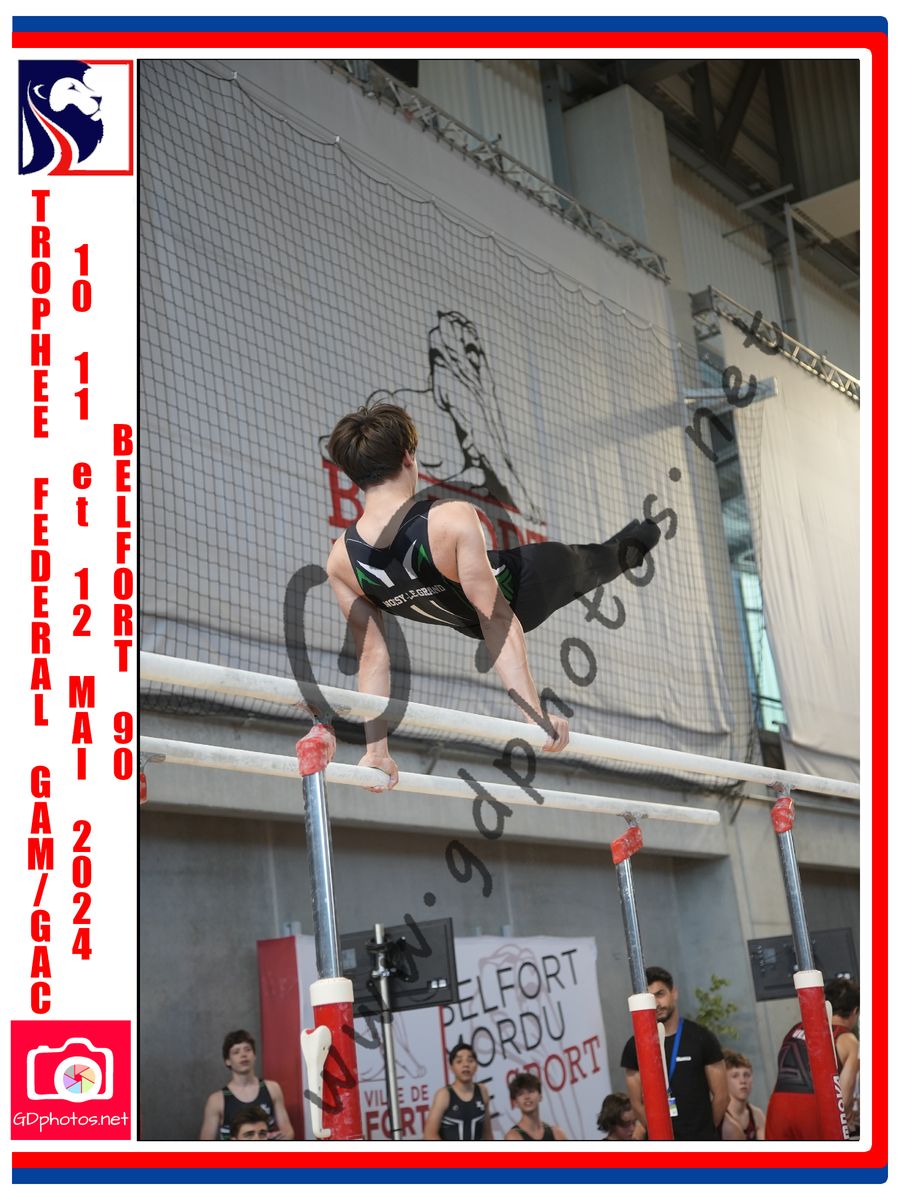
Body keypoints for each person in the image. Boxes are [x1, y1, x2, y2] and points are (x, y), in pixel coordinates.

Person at [324, 402, 661, 789]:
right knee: (594, 562)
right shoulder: (447, 520)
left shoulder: (341, 559)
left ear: (353, 475)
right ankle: (625, 545)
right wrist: (376, 753)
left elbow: (489, 620)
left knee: (595, 562)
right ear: (408, 457)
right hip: (500, 610)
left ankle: (638, 541)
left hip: (530, 580)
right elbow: (381, 652)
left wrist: (533, 716)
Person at [620, 966, 728, 1140]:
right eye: (650, 998)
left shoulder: (701, 1037)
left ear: (674, 993)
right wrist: (659, 1134)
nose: (656, 1004)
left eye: (660, 994)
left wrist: (705, 1132)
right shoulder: (635, 1046)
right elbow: (636, 1103)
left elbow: (722, 1096)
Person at [765, 976, 860, 1140]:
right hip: (814, 1107)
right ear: (855, 1011)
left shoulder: (795, 1029)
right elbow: (843, 1101)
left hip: (778, 1104)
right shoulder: (848, 1040)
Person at [199, 1029, 293, 1141]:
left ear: (254, 1055)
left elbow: (288, 1132)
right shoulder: (216, 1100)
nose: (243, 1055)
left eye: (247, 1050)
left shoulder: (272, 1089)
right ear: (227, 1061)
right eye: (236, 1052)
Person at [423, 1043, 494, 1140]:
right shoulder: (444, 1095)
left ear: (476, 1065)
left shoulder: (483, 1091)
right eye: (459, 1061)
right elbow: (429, 1135)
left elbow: (487, 1133)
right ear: (451, 1067)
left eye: (470, 1060)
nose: (466, 1065)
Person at [504, 1072, 567, 1141]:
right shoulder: (513, 1137)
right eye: (521, 1094)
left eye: (530, 1091)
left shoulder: (557, 1134)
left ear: (540, 1096)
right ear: (515, 1102)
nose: (527, 1097)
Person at [720, 1051, 766, 1141]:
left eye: (746, 1075)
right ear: (725, 1081)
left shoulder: (757, 1115)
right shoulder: (719, 1118)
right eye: (735, 1076)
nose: (743, 1081)